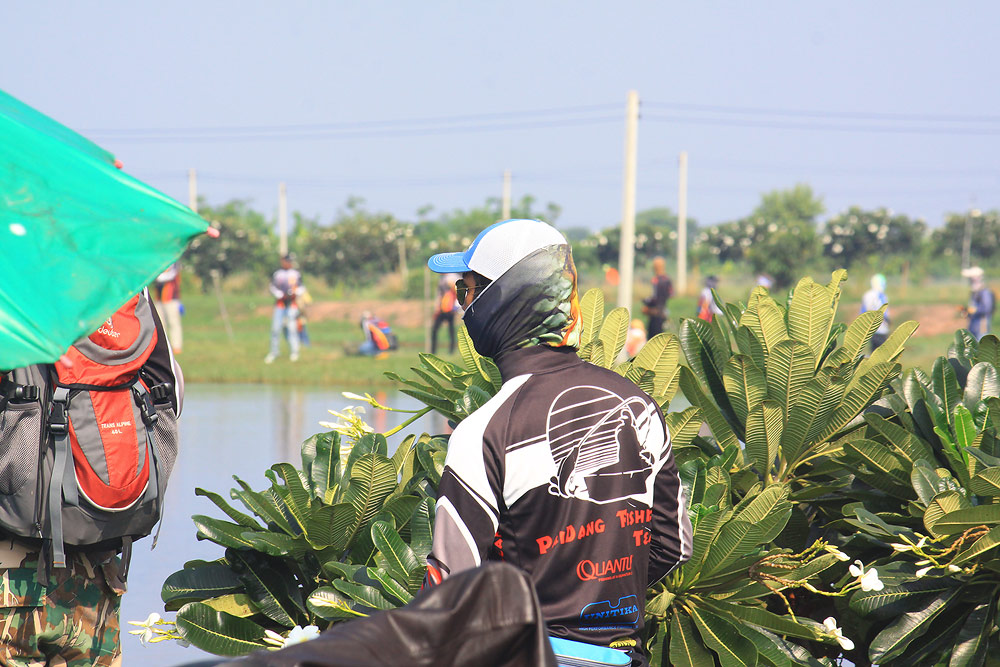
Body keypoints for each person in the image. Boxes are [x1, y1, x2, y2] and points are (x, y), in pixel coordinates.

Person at [424, 218, 691, 666]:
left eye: (464, 290)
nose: (460, 304)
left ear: (500, 301)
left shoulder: (486, 430)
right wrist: (598, 605)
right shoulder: (639, 405)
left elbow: (448, 589)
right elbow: (673, 543)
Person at [0, 291, 182, 666]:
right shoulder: (123, 287)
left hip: (9, 578)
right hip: (99, 575)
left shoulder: (14, 283)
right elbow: (170, 400)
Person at [265, 254, 305, 363]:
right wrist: (279, 295)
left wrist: (294, 293)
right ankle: (274, 352)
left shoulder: (296, 274)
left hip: (292, 304)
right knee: (275, 329)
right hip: (280, 304)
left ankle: (294, 352)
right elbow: (272, 287)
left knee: (292, 329)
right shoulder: (278, 274)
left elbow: (301, 287)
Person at [153, 261, 183, 354]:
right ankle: (163, 345)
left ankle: (176, 346)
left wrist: (156, 276)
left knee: (173, 321)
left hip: (171, 297)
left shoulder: (174, 261)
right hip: (159, 297)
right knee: (160, 322)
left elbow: (170, 275)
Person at [640, 257, 672, 337]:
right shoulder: (667, 279)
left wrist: (647, 303)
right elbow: (670, 294)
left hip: (655, 313)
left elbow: (655, 298)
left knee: (652, 339)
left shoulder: (656, 280)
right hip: (662, 312)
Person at [962, 266, 996, 339]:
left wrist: (974, 310)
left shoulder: (984, 292)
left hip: (981, 325)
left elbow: (987, 308)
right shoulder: (975, 291)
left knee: (980, 347)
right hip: (973, 324)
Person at [431, 273, 461, 354]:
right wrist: (437, 307)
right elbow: (439, 294)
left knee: (451, 330)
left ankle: (451, 350)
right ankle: (433, 350)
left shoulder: (454, 276)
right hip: (442, 308)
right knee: (434, 330)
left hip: (450, 309)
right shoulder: (441, 279)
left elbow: (457, 290)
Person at [860, 274, 890, 352]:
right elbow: (883, 310)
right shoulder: (881, 295)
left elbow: (863, 311)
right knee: (882, 353)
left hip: (870, 328)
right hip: (881, 328)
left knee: (873, 351)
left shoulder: (867, 295)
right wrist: (888, 321)